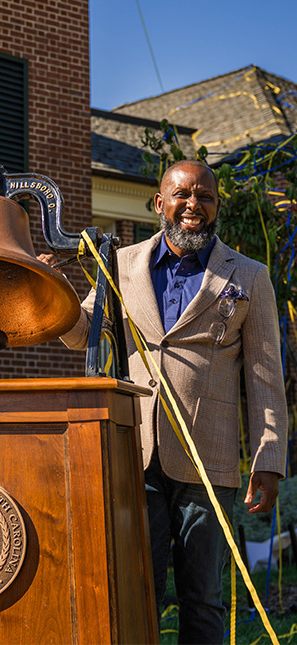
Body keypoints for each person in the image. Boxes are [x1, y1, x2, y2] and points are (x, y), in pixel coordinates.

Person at [45, 160, 288, 644]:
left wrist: (269, 459)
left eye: (204, 197)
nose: (192, 205)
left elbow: (265, 377)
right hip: (134, 452)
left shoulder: (249, 277)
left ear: (217, 206)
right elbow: (80, 336)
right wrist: (49, 290)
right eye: (182, 195)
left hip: (209, 459)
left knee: (203, 597)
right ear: (160, 203)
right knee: (139, 589)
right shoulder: (120, 264)